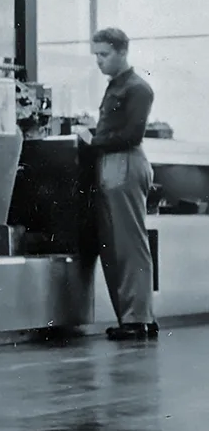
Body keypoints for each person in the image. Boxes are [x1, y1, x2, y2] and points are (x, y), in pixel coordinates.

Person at [76, 27, 157, 342]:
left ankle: (137, 320)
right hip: (112, 164)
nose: (99, 61)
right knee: (116, 243)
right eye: (96, 55)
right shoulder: (118, 87)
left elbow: (131, 135)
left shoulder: (137, 88)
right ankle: (136, 318)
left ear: (122, 51)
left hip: (124, 162)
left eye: (104, 54)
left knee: (127, 243)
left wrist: (93, 139)